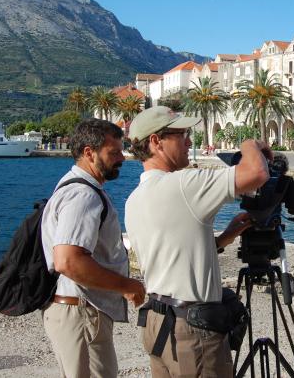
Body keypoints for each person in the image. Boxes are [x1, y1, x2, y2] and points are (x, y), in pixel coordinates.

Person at [124, 106, 271, 377]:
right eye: (182, 135)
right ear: (156, 142)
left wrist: (224, 238)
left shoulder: (134, 199)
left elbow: (171, 254)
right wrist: (251, 144)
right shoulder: (183, 184)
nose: (190, 142)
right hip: (192, 330)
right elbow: (257, 173)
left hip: (156, 322)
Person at [41, 118, 146, 378]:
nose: (121, 158)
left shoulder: (76, 186)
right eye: (114, 152)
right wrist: (127, 286)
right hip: (80, 313)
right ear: (89, 152)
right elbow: (68, 261)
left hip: (79, 310)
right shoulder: (83, 195)